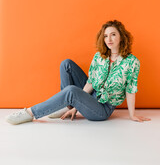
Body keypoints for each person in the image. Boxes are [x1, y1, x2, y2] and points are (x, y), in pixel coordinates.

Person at [5, 19, 151, 125]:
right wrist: (77, 105)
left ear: (121, 37)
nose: (109, 39)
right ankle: (68, 107)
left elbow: (131, 90)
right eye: (106, 36)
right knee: (66, 64)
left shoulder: (132, 62)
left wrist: (132, 115)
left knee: (71, 91)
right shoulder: (100, 57)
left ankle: (30, 113)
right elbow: (91, 83)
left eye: (113, 34)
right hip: (91, 95)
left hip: (102, 108)